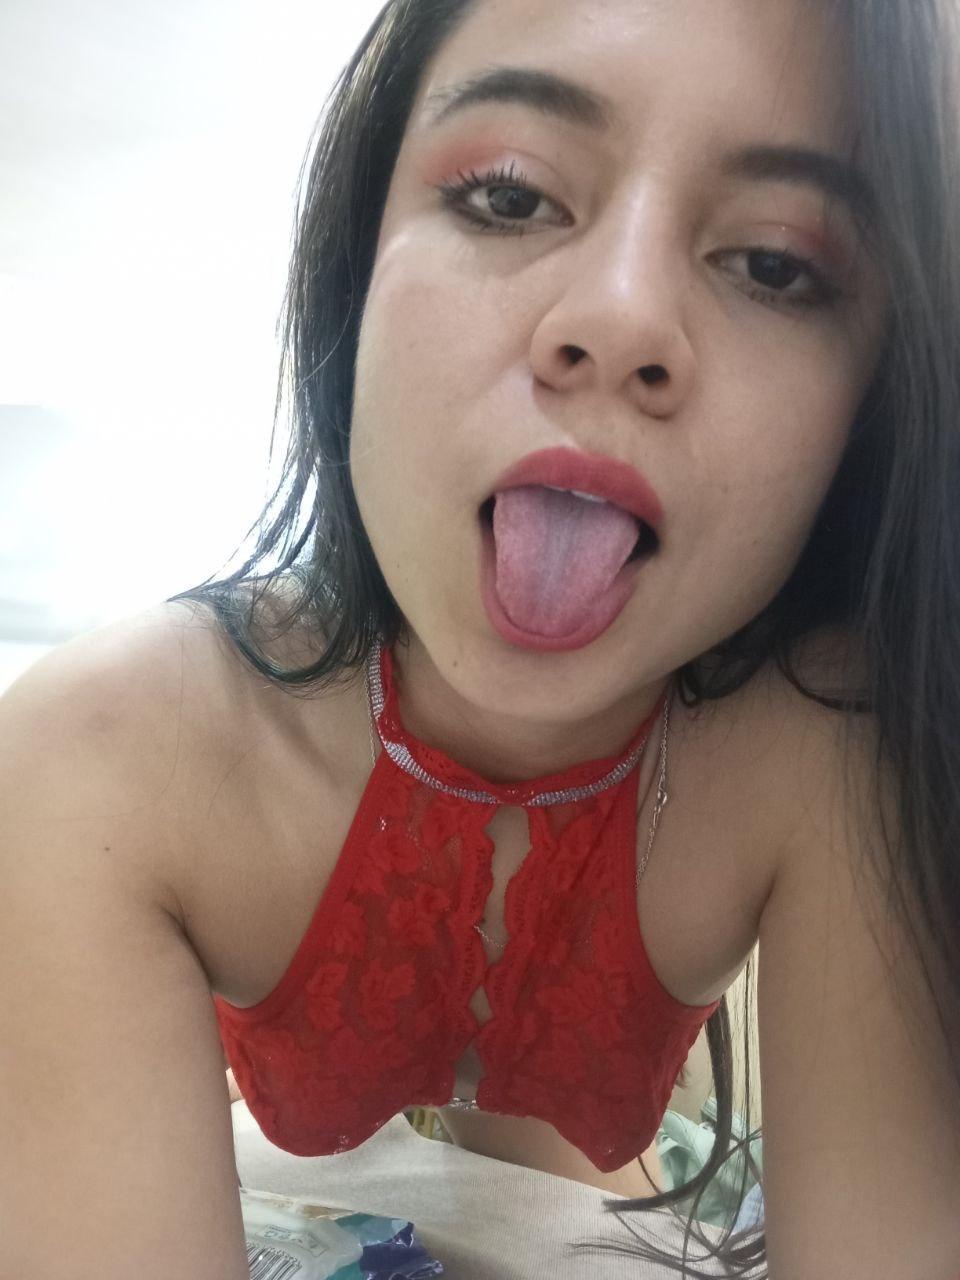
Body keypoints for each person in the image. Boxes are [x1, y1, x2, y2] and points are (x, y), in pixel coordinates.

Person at [3, 0, 960, 1276]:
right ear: (357, 250)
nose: (620, 317)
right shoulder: (98, 763)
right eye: (509, 196)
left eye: (776, 264)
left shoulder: (835, 752)